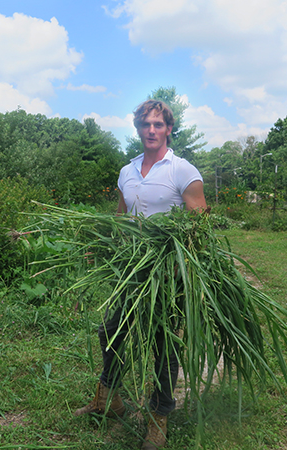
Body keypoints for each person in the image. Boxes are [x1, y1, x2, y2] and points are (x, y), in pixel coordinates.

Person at [74, 99, 208, 449]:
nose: (152, 130)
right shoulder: (127, 171)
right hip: (133, 271)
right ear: (138, 129)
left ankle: (158, 418)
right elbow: (120, 218)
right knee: (111, 330)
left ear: (168, 129)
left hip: (168, 275)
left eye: (158, 125)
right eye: (146, 124)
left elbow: (201, 226)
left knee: (165, 347)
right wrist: (101, 245)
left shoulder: (183, 171)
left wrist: (178, 258)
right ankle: (110, 399)